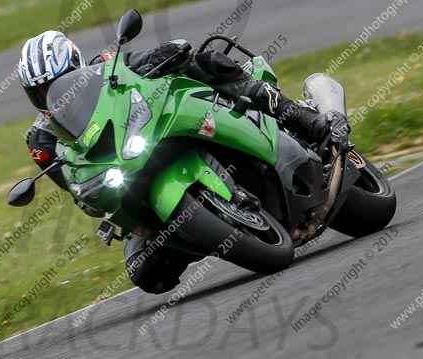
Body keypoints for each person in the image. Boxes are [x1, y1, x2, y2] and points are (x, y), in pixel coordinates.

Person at [18, 30, 349, 293]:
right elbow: (75, 187)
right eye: (40, 91)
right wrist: (91, 195)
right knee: (146, 275)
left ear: (76, 65)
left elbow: (149, 60)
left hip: (154, 137)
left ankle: (301, 117)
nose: (51, 95)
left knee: (207, 63)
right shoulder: (41, 140)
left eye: (55, 83)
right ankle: (202, 231)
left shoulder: (108, 68)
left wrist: (165, 54)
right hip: (128, 180)